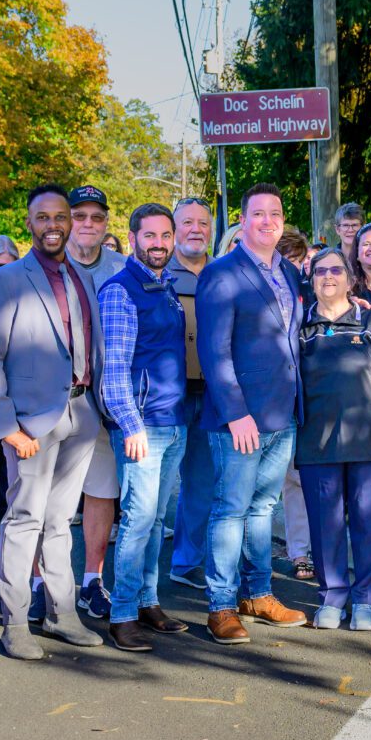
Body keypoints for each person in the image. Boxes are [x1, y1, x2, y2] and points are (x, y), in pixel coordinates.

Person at [0, 183, 105, 660]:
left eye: (61, 216)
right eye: (43, 217)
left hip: (81, 413)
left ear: (70, 222)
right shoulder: (4, 281)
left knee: (58, 519)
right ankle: (15, 622)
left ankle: (61, 613)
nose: (53, 225)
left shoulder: (82, 277)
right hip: (29, 423)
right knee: (24, 518)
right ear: (29, 223)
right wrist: (7, 427)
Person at [196, 182, 309, 644]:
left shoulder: (288, 272)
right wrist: (236, 412)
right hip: (240, 419)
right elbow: (213, 350)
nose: (267, 221)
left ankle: (258, 594)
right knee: (231, 509)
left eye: (275, 213)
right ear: (243, 220)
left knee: (263, 507)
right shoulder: (222, 273)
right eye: (258, 214)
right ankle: (221, 606)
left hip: (283, 414)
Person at [296, 247, 371, 630]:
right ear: (311, 280)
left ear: (350, 278)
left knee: (370, 522)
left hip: (370, 441)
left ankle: (365, 600)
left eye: (336, 271)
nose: (328, 277)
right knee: (325, 525)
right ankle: (332, 596)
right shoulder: (300, 325)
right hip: (317, 442)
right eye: (320, 271)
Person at [99, 202, 191, 653]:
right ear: (132, 237)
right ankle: (122, 614)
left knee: (156, 520)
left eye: (165, 236)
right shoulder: (121, 290)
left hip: (174, 421)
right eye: (149, 236)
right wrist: (130, 424)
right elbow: (113, 368)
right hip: (142, 426)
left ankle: (148, 602)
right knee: (136, 520)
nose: (158, 244)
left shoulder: (166, 286)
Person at [63, 185, 127, 621]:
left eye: (96, 217)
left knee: (102, 492)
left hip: (106, 401)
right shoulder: (46, 266)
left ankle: (92, 580)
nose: (87, 224)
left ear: (106, 224)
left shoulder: (124, 268)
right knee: (49, 498)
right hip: (57, 401)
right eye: (79, 216)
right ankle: (40, 584)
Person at [167, 196, 217, 592]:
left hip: (213, 393)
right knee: (154, 485)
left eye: (203, 222)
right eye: (187, 222)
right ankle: (142, 568)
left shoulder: (222, 274)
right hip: (168, 393)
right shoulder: (159, 273)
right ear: (174, 228)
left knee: (200, 482)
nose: (195, 229)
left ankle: (186, 561)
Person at [276, 226, 316, 579]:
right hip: (268, 402)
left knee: (298, 480)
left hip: (305, 400)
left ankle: (301, 551)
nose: (292, 265)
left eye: (297, 259)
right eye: (286, 258)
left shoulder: (309, 292)